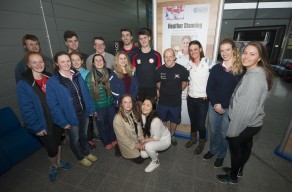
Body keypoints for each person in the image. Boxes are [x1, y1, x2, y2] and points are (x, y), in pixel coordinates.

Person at [217, 41, 274, 184]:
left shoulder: (254, 78)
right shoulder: (255, 72)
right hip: (252, 123)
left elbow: (245, 111)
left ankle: (233, 177)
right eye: (245, 52)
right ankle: (238, 170)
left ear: (259, 58)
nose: (246, 56)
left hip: (243, 124)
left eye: (252, 54)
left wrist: (232, 132)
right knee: (246, 147)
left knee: (236, 151)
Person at [16, 52, 71, 181]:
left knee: (58, 142)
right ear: (28, 64)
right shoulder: (24, 84)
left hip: (56, 119)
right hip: (43, 122)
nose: (38, 64)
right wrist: (36, 127)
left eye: (40, 61)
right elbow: (26, 109)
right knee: (51, 148)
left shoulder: (49, 77)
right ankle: (53, 166)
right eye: (34, 62)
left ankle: (59, 161)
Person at [46, 51, 97, 167]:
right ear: (57, 63)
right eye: (62, 61)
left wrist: (91, 108)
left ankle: (87, 152)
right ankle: (80, 157)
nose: (66, 64)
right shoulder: (53, 82)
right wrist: (62, 121)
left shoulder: (77, 75)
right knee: (75, 139)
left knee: (84, 135)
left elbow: (86, 93)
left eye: (68, 61)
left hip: (83, 112)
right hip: (70, 116)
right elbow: (53, 105)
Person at [203, 38, 244, 168]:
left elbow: (238, 93)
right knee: (214, 131)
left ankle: (221, 155)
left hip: (230, 108)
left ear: (233, 50)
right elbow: (210, 88)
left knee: (225, 133)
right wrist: (215, 104)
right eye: (222, 50)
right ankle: (213, 150)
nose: (224, 53)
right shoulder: (216, 68)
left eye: (227, 50)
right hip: (213, 106)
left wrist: (224, 105)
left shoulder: (240, 70)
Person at [184, 40, 214, 155]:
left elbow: (215, 79)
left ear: (200, 49)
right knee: (193, 122)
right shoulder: (189, 64)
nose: (193, 52)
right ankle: (193, 139)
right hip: (191, 99)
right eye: (191, 50)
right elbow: (188, 81)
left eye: (195, 49)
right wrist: (187, 93)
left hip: (203, 100)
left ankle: (201, 143)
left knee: (201, 124)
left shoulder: (208, 62)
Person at [155, 48, 188, 146]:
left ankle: (172, 134)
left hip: (176, 101)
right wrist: (164, 92)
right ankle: (164, 135)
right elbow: (157, 83)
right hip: (163, 101)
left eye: (170, 56)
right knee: (163, 120)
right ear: (164, 58)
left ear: (174, 57)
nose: (168, 59)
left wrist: (176, 92)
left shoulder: (182, 69)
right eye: (166, 57)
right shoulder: (159, 70)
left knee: (174, 120)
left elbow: (185, 83)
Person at [85, 54, 117, 150]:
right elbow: (88, 95)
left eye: (101, 60)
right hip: (98, 106)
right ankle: (106, 141)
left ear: (104, 62)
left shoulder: (110, 72)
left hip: (111, 104)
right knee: (101, 125)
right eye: (96, 60)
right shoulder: (89, 77)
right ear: (93, 63)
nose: (99, 62)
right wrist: (92, 109)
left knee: (112, 123)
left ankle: (113, 138)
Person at [69, 51, 96, 150]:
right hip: (76, 107)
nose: (76, 62)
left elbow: (92, 91)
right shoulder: (69, 75)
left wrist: (92, 107)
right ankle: (81, 143)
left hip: (87, 104)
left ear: (82, 61)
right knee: (79, 127)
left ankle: (89, 139)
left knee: (89, 124)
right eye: (73, 60)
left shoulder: (88, 73)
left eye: (78, 60)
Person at [132, 29, 162, 106]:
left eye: (145, 37)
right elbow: (132, 73)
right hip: (139, 88)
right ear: (138, 40)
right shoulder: (135, 55)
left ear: (149, 38)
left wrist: (158, 89)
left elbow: (159, 73)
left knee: (152, 111)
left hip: (152, 88)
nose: (143, 40)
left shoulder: (156, 55)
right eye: (141, 38)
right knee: (141, 111)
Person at [140, 97, 171, 172]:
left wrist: (144, 141)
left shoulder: (155, 120)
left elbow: (156, 138)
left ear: (153, 108)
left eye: (148, 105)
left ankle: (155, 162)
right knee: (143, 155)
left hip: (164, 140)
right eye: (143, 104)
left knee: (147, 147)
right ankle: (155, 152)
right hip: (154, 137)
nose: (144, 107)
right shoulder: (143, 115)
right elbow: (146, 130)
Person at [113, 94, 144, 164]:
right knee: (140, 159)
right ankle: (118, 147)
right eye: (125, 102)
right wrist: (135, 145)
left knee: (145, 149)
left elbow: (139, 127)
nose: (128, 104)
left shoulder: (134, 112)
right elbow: (122, 137)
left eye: (130, 102)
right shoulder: (117, 118)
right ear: (121, 104)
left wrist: (141, 139)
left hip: (136, 138)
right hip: (127, 142)